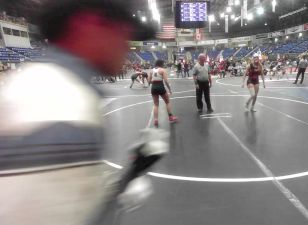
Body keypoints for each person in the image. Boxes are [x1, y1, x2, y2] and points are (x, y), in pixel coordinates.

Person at [0, 0, 156, 225]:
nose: (126, 46)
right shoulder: (62, 106)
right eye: (122, 32)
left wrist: (130, 174)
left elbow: (72, 202)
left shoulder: (47, 87)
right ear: (89, 24)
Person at [149, 60, 178, 126]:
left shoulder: (151, 70)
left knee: (156, 105)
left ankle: (156, 120)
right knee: (167, 102)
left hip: (153, 87)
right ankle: (171, 117)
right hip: (160, 87)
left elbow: (149, 81)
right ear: (161, 64)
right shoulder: (163, 70)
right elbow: (166, 81)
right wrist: (169, 89)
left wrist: (154, 82)